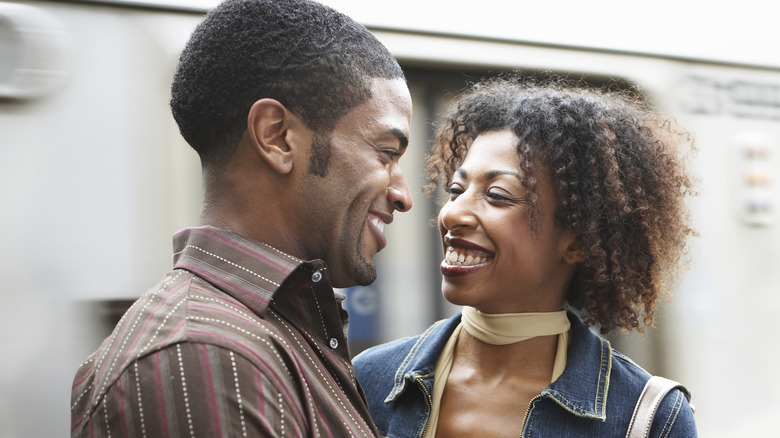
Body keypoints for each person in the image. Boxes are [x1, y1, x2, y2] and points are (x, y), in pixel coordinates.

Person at [70, 0, 413, 436]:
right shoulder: (203, 355)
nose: (402, 195)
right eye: (386, 153)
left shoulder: (266, 334)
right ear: (277, 137)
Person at [353, 76, 698, 437]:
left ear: (578, 240)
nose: (452, 214)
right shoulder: (368, 379)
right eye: (456, 190)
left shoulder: (647, 417)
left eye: (498, 195)